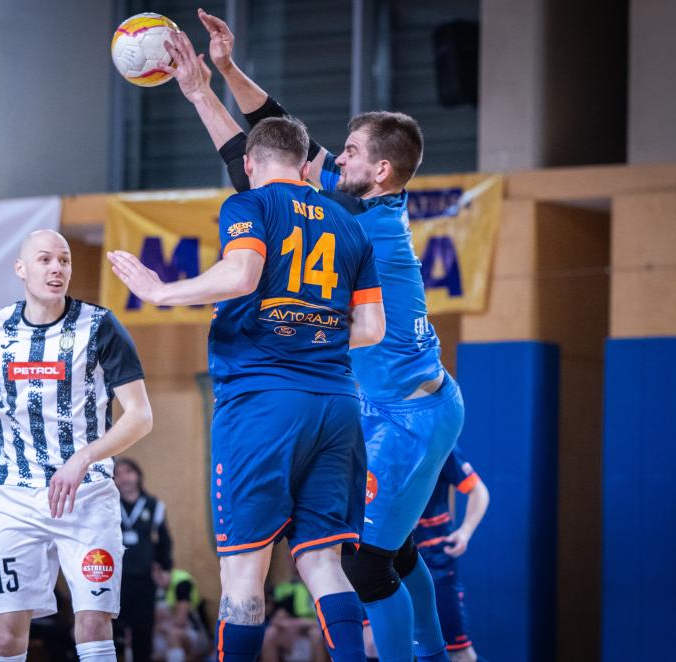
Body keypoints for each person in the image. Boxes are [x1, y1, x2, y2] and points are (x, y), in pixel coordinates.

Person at [164, 15, 465, 661]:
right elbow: (277, 141)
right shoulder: (359, 204)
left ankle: (430, 656)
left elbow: (261, 165)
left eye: (348, 152)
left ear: (380, 169)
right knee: (384, 553)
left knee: (366, 564)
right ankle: (446, 654)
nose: (334, 158)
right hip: (376, 402)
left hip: (411, 412)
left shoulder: (358, 219)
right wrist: (224, 71)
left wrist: (202, 91)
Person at [108, 116, 385, 662]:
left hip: (262, 403)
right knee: (323, 562)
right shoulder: (350, 223)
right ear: (305, 166)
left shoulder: (249, 204)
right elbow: (373, 328)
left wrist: (160, 292)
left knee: (242, 571)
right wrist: (314, 331)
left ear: (251, 163)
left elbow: (241, 275)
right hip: (336, 404)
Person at [0, 229, 153, 662]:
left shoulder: (100, 326)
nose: (57, 268)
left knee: (93, 624)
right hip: (16, 496)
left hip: (87, 494)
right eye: (45, 259)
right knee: (5, 635)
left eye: (64, 260)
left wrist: (83, 458)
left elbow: (141, 416)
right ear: (21, 269)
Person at [414, 449, 490, 662]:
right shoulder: (371, 437)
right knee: (372, 642)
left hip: (433, 560)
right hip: (383, 558)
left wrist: (465, 532)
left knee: (458, 652)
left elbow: (478, 491)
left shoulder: (438, 441)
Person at [113, 457, 174, 662]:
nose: (124, 478)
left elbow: (164, 540)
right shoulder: (109, 505)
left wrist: (165, 568)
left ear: (138, 475)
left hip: (144, 578)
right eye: (118, 474)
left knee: (143, 631)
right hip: (115, 579)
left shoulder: (153, 504)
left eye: (128, 472)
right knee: (113, 631)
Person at [152, 566, 211, 662]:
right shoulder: (160, 589)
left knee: (173, 635)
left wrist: (163, 627)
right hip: (172, 632)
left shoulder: (181, 582)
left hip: (197, 633)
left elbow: (180, 621)